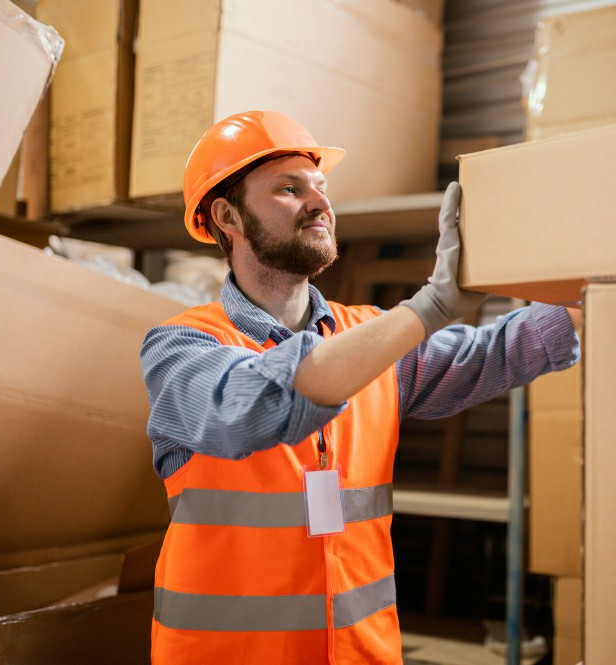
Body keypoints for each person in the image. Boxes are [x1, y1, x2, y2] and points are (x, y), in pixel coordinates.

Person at [140, 110, 581, 664]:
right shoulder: (182, 347)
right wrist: (429, 308)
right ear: (227, 216)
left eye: (320, 188)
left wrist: (593, 282)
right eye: (288, 188)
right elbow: (250, 405)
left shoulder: (367, 334)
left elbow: (491, 352)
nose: (318, 202)